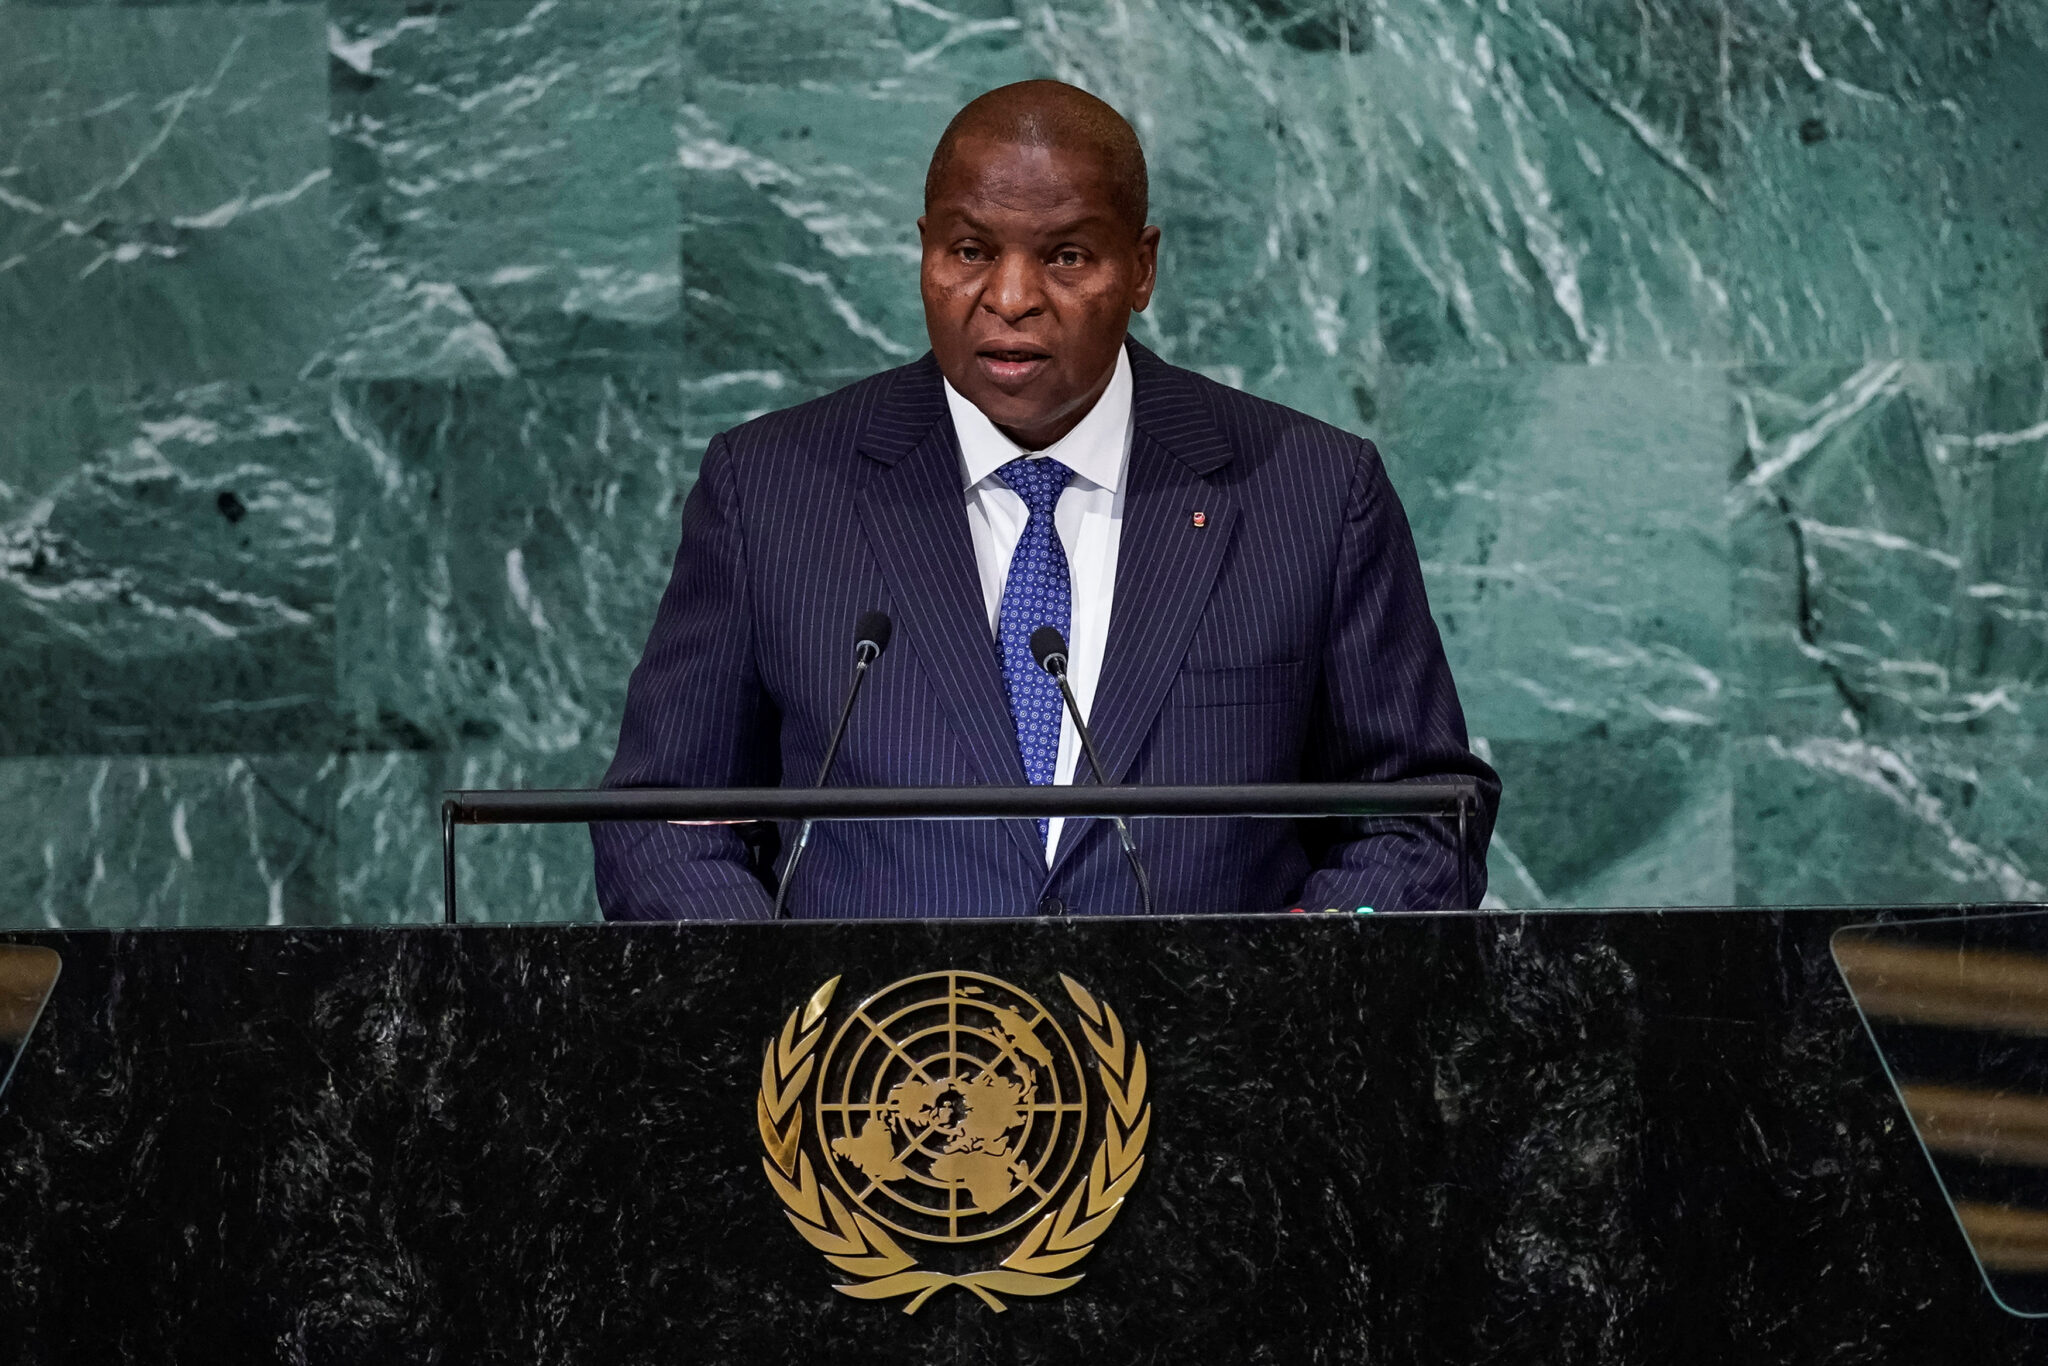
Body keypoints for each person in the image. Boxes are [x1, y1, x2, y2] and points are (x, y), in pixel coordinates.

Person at [593, 80, 1499, 920]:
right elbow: (666, 823)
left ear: (1140, 268)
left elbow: (1421, 817)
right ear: (924, 252)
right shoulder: (772, 490)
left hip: (1215, 1041)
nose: (1012, 297)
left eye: (1066, 255)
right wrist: (792, 1009)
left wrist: (1282, 991)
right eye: (971, 251)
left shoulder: (1311, 492)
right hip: (877, 1044)